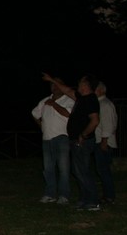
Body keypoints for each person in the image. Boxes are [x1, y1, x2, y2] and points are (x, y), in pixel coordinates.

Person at [41, 72, 101, 210]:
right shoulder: (81, 98)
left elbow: (95, 121)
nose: (78, 84)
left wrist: (83, 135)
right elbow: (67, 90)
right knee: (78, 170)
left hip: (83, 141)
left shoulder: (91, 99)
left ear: (86, 85)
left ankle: (93, 201)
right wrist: (51, 79)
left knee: (82, 171)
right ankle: (84, 200)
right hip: (75, 140)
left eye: (81, 82)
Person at [31, 78, 74, 204]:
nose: (54, 87)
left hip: (62, 137)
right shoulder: (44, 101)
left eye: (57, 85)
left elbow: (68, 114)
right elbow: (34, 114)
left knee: (63, 168)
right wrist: (42, 125)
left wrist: (54, 104)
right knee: (48, 168)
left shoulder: (69, 100)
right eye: (52, 85)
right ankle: (50, 194)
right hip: (47, 138)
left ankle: (64, 195)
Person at [94, 81, 118, 205]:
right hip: (101, 140)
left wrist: (104, 141)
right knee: (102, 170)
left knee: (104, 170)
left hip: (104, 142)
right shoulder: (100, 103)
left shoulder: (105, 104)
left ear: (101, 90)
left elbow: (108, 125)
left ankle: (109, 196)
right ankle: (108, 195)